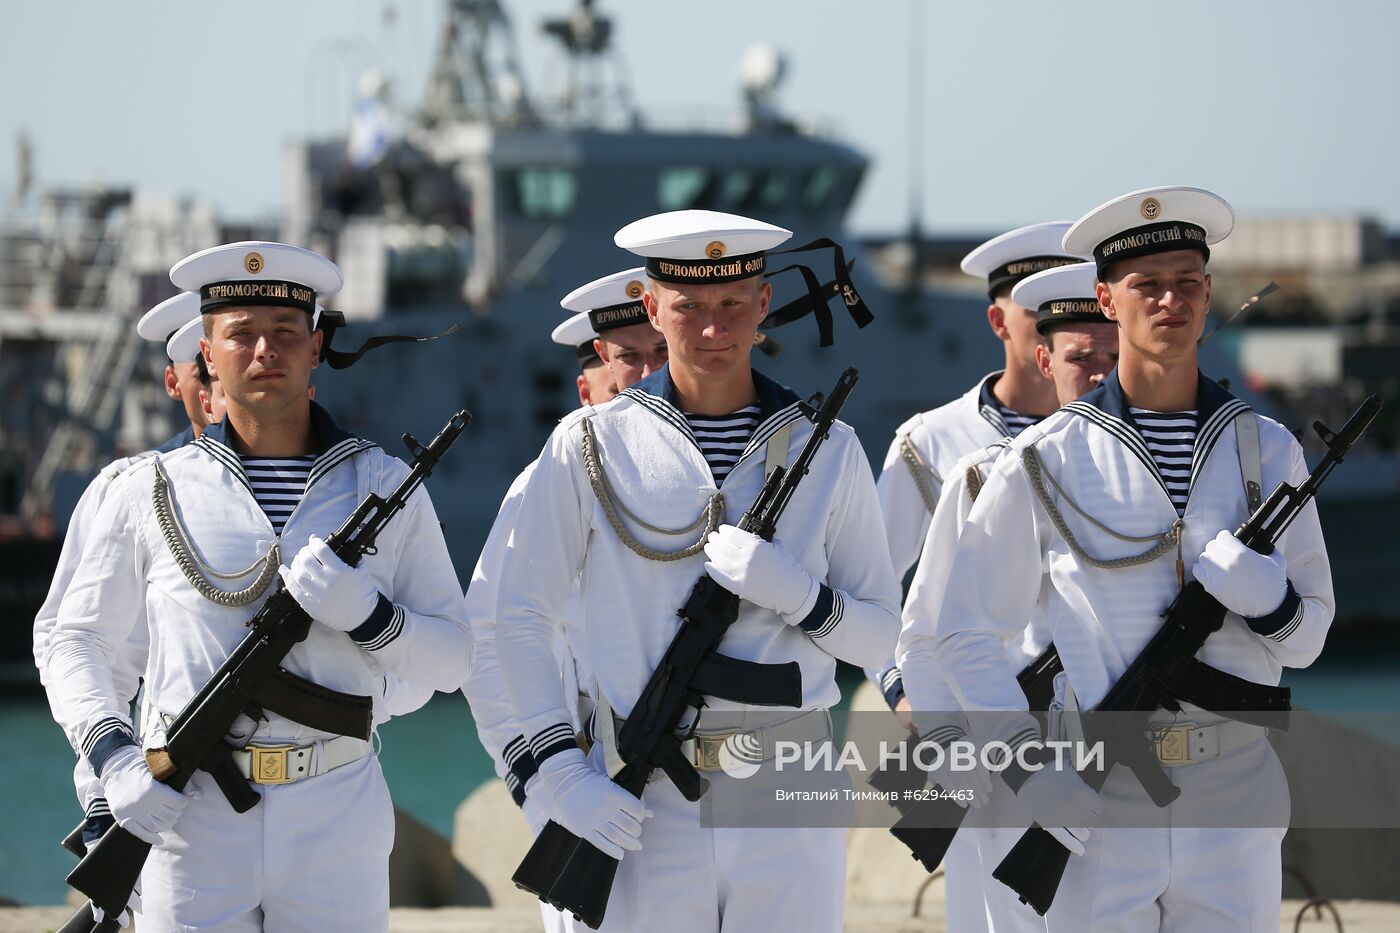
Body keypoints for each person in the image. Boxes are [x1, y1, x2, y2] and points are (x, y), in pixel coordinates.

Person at [934, 188, 1335, 932]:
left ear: (1210, 295)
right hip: (1101, 790)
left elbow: (1309, 638)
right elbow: (962, 632)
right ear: (1105, 300)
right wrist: (1028, 767)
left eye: (1186, 282)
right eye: (1145, 284)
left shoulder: (1268, 449)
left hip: (1235, 791)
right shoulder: (1045, 459)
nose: (1169, 300)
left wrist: (1271, 601)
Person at [44, 241, 472, 930]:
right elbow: (75, 641)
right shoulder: (150, 487)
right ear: (207, 354)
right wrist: (113, 757)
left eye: (284, 334)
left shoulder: (383, 483)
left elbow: (455, 657)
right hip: (192, 823)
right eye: (240, 335)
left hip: (337, 812)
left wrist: (368, 617)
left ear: (315, 347)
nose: (263, 351)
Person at [495, 209, 901, 931]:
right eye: (688, 308)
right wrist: (558, 770)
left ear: (765, 303)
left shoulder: (829, 447)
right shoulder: (588, 443)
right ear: (652, 306)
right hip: (644, 789)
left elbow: (881, 640)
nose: (713, 330)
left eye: (732, 304)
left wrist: (800, 597)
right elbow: (521, 616)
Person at [868, 222, 1085, 933]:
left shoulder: (1113, 443)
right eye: (1039, 309)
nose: (1059, 324)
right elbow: (869, 589)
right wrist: (910, 700)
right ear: (999, 319)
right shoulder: (930, 445)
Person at [464, 270, 666, 933]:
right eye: (627, 361)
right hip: (587, 777)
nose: (647, 376)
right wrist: (538, 781)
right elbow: (487, 642)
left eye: (660, 354)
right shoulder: (543, 485)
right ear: (589, 386)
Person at [32, 292, 207, 889]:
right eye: (199, 370)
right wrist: (106, 782)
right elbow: (70, 643)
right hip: (152, 790)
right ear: (173, 383)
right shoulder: (129, 488)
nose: (214, 384)